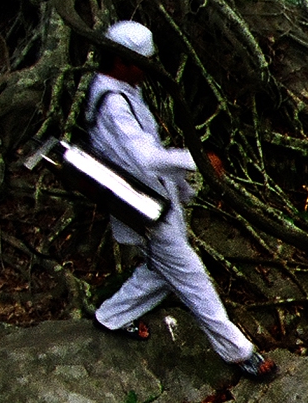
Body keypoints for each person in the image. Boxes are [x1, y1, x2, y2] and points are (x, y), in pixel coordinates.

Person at [87, 20, 276, 379]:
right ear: (123, 61)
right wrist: (197, 160)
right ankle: (240, 353)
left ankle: (110, 316)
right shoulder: (113, 103)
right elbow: (144, 157)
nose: (148, 70)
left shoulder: (120, 89)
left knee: (161, 270)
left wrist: (182, 188)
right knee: (193, 278)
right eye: (143, 62)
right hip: (145, 208)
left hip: (152, 200)